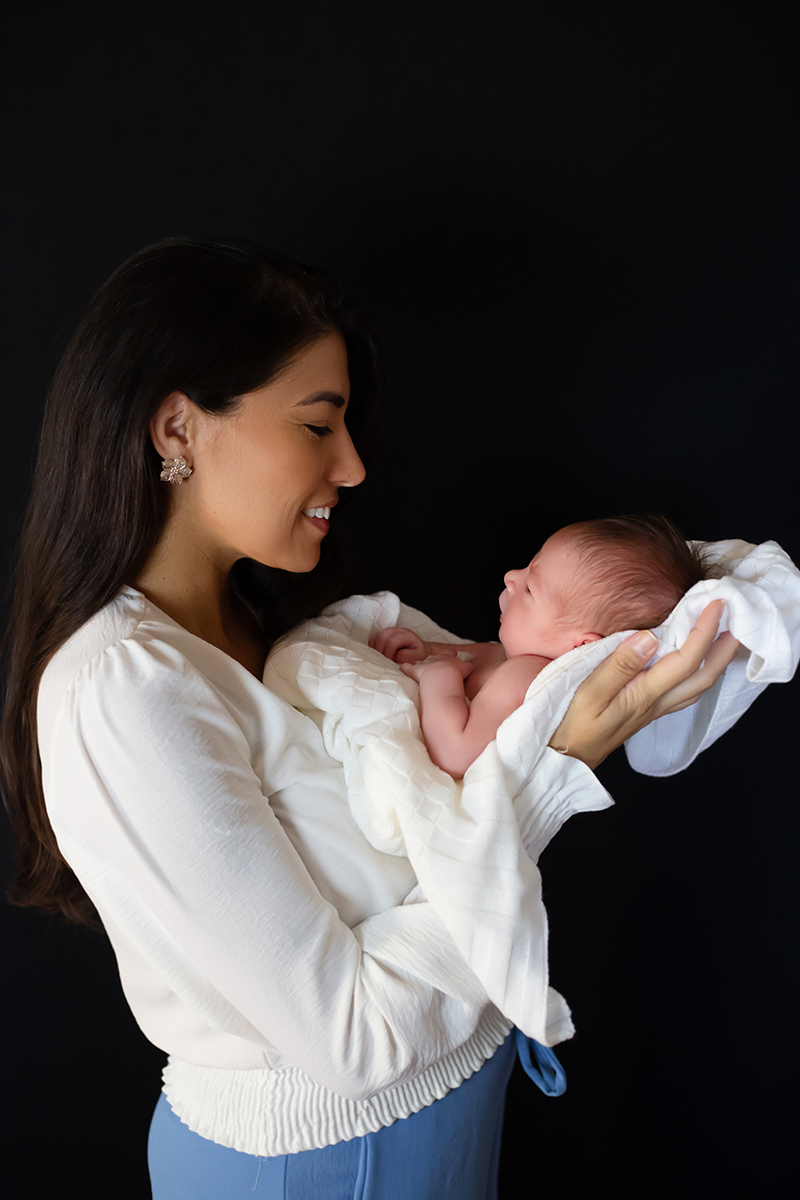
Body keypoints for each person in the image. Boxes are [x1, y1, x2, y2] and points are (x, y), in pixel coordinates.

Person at [0, 237, 743, 1200]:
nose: (352, 466)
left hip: (438, 1118)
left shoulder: (266, 623)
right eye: (318, 425)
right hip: (321, 1163)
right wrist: (542, 782)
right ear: (177, 427)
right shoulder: (124, 689)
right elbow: (353, 1038)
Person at [369, 514, 709, 779]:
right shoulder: (518, 659)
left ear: (582, 646)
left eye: (531, 588)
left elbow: (455, 756)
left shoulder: (528, 675)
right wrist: (427, 650)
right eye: (529, 564)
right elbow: (473, 659)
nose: (510, 576)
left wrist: (438, 677)